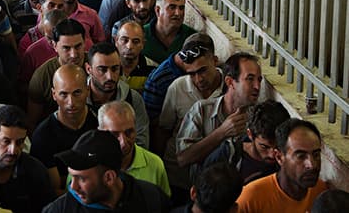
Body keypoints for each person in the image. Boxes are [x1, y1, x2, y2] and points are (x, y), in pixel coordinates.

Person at [176, 53, 262, 187]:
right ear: (230, 82)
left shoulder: (257, 117)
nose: (257, 86)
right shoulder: (202, 110)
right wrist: (221, 133)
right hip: (204, 193)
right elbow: (183, 159)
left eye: (259, 80)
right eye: (250, 79)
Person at [156, 33, 224, 191]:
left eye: (203, 71)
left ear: (215, 61)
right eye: (191, 74)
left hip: (212, 180)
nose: (198, 79)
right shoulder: (177, 87)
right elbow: (163, 130)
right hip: (177, 176)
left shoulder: (229, 88)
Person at [43, 129, 171, 212]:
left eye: (81, 178)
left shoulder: (151, 198)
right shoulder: (60, 210)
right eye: (72, 176)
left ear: (109, 177)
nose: (73, 186)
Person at [31, 65, 98, 195]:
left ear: (88, 90)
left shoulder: (102, 123)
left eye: (77, 93)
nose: (71, 102)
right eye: (64, 94)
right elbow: (53, 190)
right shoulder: (43, 136)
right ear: (54, 95)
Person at [236, 119, 328, 213]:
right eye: (301, 156)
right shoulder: (251, 198)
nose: (311, 165)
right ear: (279, 157)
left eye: (316, 155)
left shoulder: (322, 193)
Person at [98, 101, 170, 197]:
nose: (123, 142)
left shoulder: (154, 164)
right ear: (100, 133)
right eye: (114, 135)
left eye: (129, 132)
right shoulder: (88, 166)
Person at [85, 42, 149, 148]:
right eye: (102, 69)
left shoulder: (132, 98)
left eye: (115, 69)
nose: (110, 76)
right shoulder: (77, 98)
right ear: (89, 69)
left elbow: (142, 143)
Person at [27, 18, 87, 129]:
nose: (73, 54)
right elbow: (32, 121)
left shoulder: (96, 65)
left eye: (78, 46)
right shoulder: (42, 76)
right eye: (66, 48)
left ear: (84, 43)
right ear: (54, 46)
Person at [143, 0, 197, 65]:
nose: (178, 13)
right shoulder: (140, 35)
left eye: (181, 8)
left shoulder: (192, 38)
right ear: (158, 11)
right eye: (172, 7)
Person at [114, 21, 155, 93]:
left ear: (143, 44)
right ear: (116, 41)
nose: (129, 46)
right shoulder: (107, 66)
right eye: (124, 40)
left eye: (135, 41)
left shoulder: (153, 70)